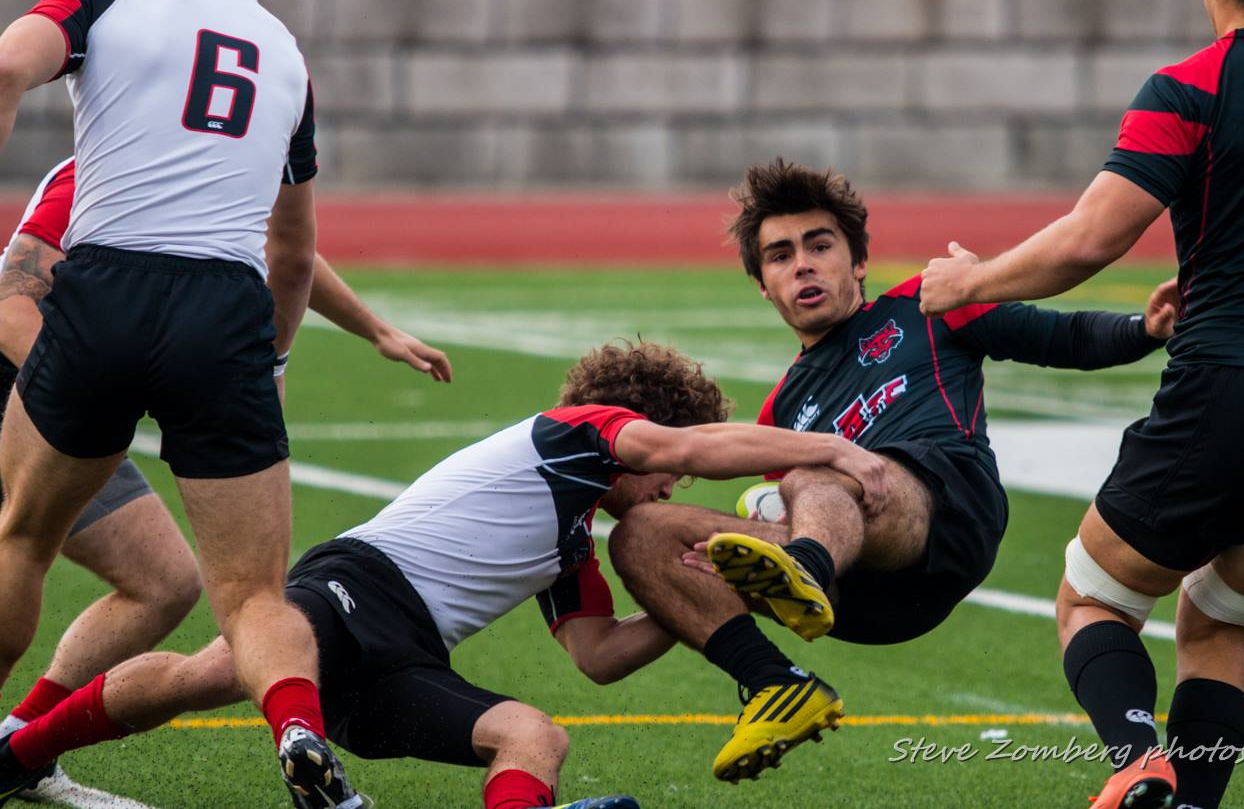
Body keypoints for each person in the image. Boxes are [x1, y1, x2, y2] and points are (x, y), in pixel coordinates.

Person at [0, 342, 878, 809]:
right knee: (211, 671)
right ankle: (18, 752)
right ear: (635, 427)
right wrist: (831, 447)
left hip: (407, 659)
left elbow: (598, 654)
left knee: (536, 736)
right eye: (665, 472)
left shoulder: (573, 538)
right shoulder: (572, 434)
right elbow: (692, 448)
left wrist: (692, 589)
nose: (671, 487)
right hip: (357, 581)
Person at [607, 158, 1179, 784]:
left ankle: (805, 568)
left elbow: (1062, 338)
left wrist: (1144, 329)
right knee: (642, 534)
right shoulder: (781, 408)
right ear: (763, 286)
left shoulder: (924, 306)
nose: (801, 263)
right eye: (779, 255)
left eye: (819, 245)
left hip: (947, 514)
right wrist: (695, 568)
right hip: (865, 595)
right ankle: (776, 683)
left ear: (857, 262)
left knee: (812, 468)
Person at [919, 0, 1244, 807]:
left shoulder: (1191, 87)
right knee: (1220, 620)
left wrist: (968, 283)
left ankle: (1137, 760)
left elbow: (1090, 238)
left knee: (1095, 594)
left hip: (1227, 385)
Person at [0, 0, 356, 802]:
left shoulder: (102, 4)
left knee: (23, 538)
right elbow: (294, 255)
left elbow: (10, 64)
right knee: (254, 592)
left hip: (103, 293)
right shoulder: (283, 53)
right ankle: (299, 725)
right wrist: (266, 361)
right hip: (224, 309)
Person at [0, 156, 452, 802]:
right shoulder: (103, 164)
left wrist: (375, 329)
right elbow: (10, 303)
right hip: (27, 394)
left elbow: (285, 250)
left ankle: (17, 738)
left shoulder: (197, 164)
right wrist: (98, 390)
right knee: (24, 549)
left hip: (80, 391)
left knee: (165, 583)